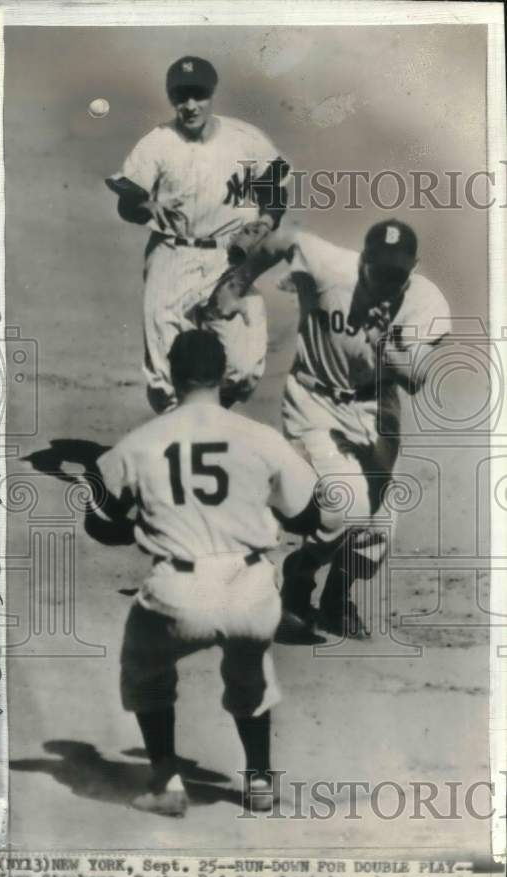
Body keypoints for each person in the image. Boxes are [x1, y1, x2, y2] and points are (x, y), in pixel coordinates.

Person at [86, 329, 339, 817]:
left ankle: (166, 782)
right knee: (251, 669)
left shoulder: (141, 442)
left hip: (177, 592)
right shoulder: (261, 438)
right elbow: (309, 518)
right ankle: (260, 780)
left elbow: (100, 524)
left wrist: (143, 523)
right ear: (224, 376)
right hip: (248, 588)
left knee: (144, 667)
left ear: (172, 376)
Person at [198, 217, 451, 638]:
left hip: (375, 407)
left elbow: (416, 377)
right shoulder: (328, 265)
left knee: (379, 528)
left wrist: (384, 341)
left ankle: (336, 600)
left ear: (414, 268)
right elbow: (281, 241)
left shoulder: (423, 300)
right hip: (314, 403)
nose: (386, 281)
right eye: (378, 270)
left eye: (397, 274)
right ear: (362, 260)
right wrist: (237, 284)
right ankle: (297, 583)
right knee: (345, 504)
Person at [106, 55, 289, 412]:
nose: (190, 105)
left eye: (198, 95)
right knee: (165, 379)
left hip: (228, 261)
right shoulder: (157, 143)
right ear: (171, 97)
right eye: (181, 96)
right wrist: (145, 205)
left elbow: (275, 193)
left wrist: (266, 222)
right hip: (172, 258)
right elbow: (126, 203)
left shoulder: (245, 140)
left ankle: (208, 416)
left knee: (242, 369)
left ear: (211, 94)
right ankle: (183, 430)